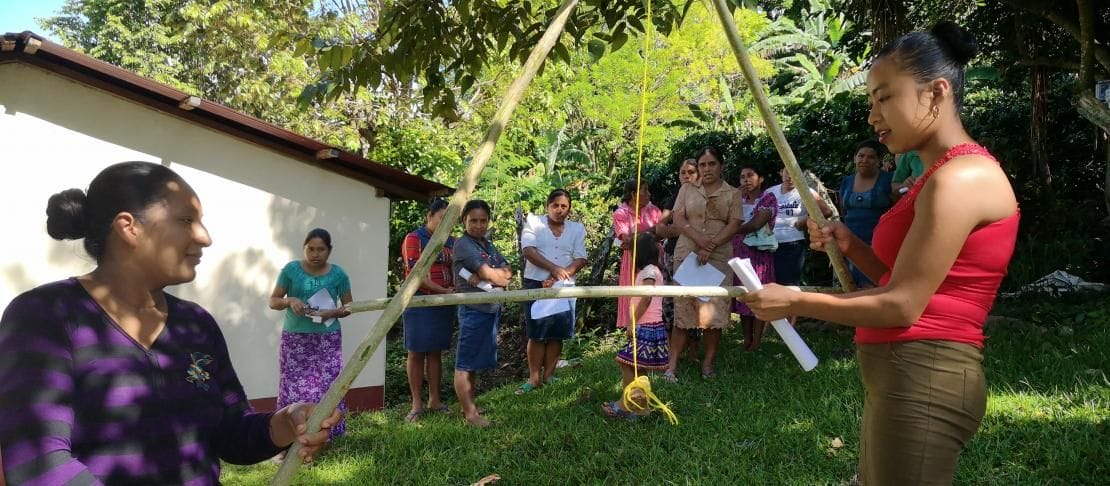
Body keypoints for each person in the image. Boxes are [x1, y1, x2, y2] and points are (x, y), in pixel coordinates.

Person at [738, 21, 1019, 485]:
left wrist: (795, 301)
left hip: (925, 375)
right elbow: (899, 277)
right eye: (871, 101)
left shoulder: (962, 178)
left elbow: (903, 305)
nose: (873, 116)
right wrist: (851, 245)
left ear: (937, 92)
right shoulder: (937, 176)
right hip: (904, 376)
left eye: (884, 98)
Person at [0, 162, 340, 485]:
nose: (204, 237)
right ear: (129, 227)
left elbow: (231, 432)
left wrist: (286, 422)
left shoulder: (196, 325)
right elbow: (39, 465)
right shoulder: (45, 316)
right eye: (186, 220)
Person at [665, 147, 742, 382]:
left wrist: (711, 245)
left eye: (712, 164)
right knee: (683, 310)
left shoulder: (733, 193)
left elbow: (735, 223)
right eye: (702, 164)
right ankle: (672, 366)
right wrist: (699, 240)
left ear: (721, 166)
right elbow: (678, 218)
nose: (707, 169)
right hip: (688, 254)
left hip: (718, 258)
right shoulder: (687, 189)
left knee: (714, 314)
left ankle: (707, 365)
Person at [269, 228, 353, 442]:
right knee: (292, 386)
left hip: (327, 340)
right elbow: (273, 301)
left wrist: (330, 313)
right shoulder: (291, 271)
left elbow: (349, 307)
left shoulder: (339, 275)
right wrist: (290, 300)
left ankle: (329, 435)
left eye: (321, 249)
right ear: (304, 248)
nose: (315, 254)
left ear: (329, 251)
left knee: (329, 386)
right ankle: (289, 437)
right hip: (295, 339)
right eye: (311, 249)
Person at [518, 189, 588, 394]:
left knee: (557, 332)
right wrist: (553, 269)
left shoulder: (576, 229)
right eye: (555, 205)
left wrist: (560, 275)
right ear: (547, 206)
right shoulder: (534, 223)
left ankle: (549, 375)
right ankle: (534, 378)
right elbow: (528, 251)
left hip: (564, 285)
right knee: (537, 332)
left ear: (569, 209)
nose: (559, 210)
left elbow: (581, 257)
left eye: (564, 206)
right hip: (536, 283)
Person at [452, 200, 512, 427]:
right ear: (464, 221)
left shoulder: (486, 244)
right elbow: (497, 276)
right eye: (473, 220)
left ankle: (470, 405)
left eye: (483, 220)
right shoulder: (463, 244)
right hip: (473, 309)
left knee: (474, 362)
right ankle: (470, 414)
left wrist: (495, 275)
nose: (478, 225)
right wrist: (496, 276)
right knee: (465, 363)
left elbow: (508, 271)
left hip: (489, 308)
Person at [399, 199, 456, 422]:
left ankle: (435, 400)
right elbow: (415, 272)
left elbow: (459, 267)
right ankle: (416, 404)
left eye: (449, 220)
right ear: (429, 216)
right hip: (419, 301)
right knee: (416, 352)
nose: (445, 223)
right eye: (441, 218)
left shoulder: (452, 241)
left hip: (443, 302)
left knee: (435, 352)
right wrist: (443, 290)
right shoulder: (414, 238)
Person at [602, 233, 668, 420]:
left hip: (647, 325)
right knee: (638, 367)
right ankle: (640, 407)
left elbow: (646, 298)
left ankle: (626, 405)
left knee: (627, 363)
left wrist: (632, 321)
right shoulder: (651, 270)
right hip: (648, 325)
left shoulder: (650, 271)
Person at [654, 159, 701, 360]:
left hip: (696, 256)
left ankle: (694, 351)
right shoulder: (673, 198)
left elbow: (704, 228)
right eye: (683, 172)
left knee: (693, 302)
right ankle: (670, 352)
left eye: (691, 172)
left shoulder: (704, 196)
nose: (687, 176)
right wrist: (686, 229)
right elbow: (659, 228)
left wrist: (678, 229)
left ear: (699, 174)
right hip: (672, 255)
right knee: (670, 302)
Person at [732, 165, 778, 351]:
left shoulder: (768, 198)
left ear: (761, 179)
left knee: (758, 294)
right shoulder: (738, 199)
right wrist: (735, 196)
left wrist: (731, 230)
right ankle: (746, 339)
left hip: (758, 255)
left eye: (750, 175)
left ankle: (757, 341)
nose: (746, 180)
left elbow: (756, 223)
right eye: (742, 177)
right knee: (744, 295)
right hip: (737, 253)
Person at [838, 140, 895, 287]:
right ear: (854, 158)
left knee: (874, 287)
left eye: (871, 157)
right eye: (861, 156)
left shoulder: (889, 180)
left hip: (878, 247)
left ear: (878, 161)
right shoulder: (846, 182)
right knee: (851, 287)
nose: (864, 160)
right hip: (850, 245)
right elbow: (844, 211)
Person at [767, 167, 833, 290]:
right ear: (781, 172)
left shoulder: (805, 191)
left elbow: (826, 211)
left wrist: (803, 221)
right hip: (768, 244)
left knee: (788, 285)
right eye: (787, 172)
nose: (790, 176)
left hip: (792, 244)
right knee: (769, 283)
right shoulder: (770, 192)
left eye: (794, 172)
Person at [612, 179, 664, 329]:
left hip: (655, 258)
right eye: (645, 190)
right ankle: (632, 327)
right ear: (633, 194)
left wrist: (639, 236)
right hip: (634, 260)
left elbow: (661, 232)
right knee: (635, 294)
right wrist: (652, 231)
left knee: (654, 294)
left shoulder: (654, 210)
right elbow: (627, 239)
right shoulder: (621, 213)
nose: (649, 194)